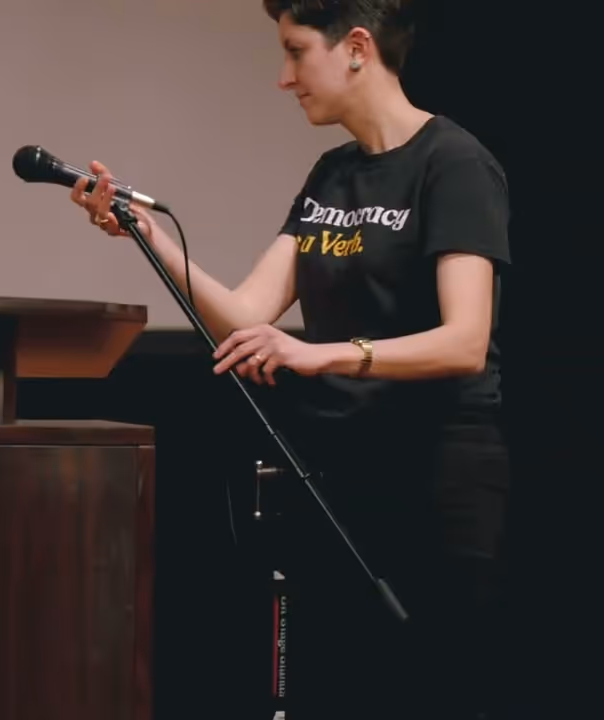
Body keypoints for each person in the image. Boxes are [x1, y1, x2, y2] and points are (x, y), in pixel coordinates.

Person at [70, 2, 509, 718]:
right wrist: (148, 236)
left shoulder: (454, 164)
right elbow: (248, 315)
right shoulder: (332, 175)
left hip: (436, 482)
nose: (283, 78)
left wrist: (317, 354)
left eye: (297, 52)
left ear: (358, 47)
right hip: (342, 477)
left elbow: (465, 340)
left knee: (429, 686)